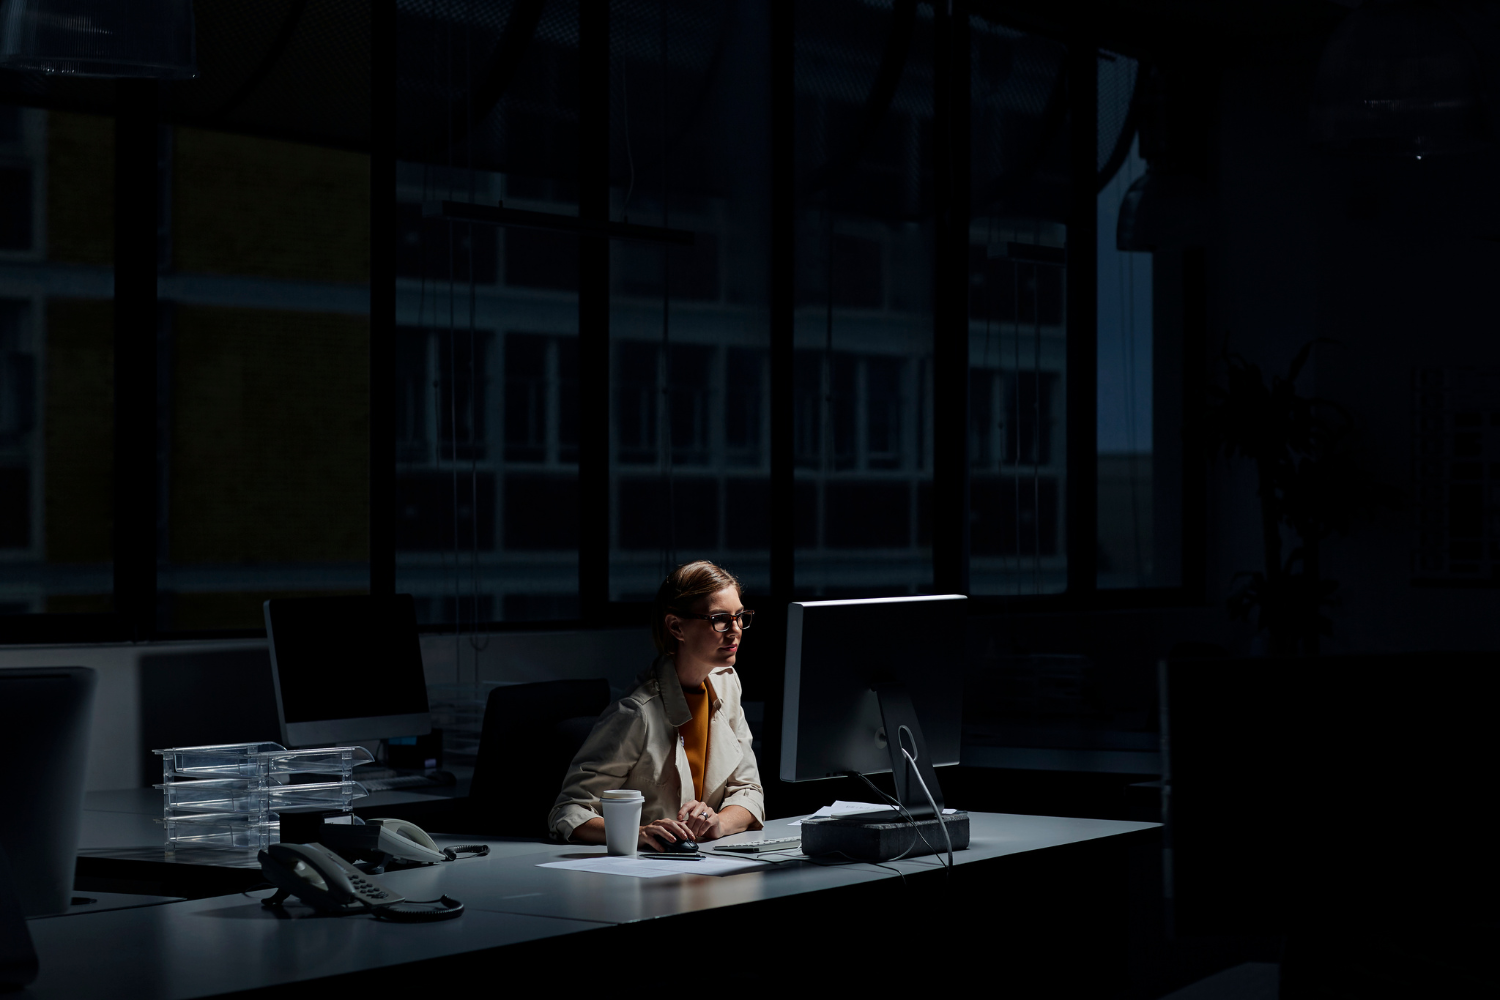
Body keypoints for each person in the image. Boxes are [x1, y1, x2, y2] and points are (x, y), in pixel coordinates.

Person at [548, 561, 764, 849]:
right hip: (646, 874)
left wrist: (719, 823)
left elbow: (749, 789)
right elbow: (567, 812)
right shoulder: (636, 712)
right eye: (720, 619)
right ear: (676, 627)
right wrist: (637, 833)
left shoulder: (727, 683)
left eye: (740, 616)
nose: (735, 630)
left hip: (707, 861)